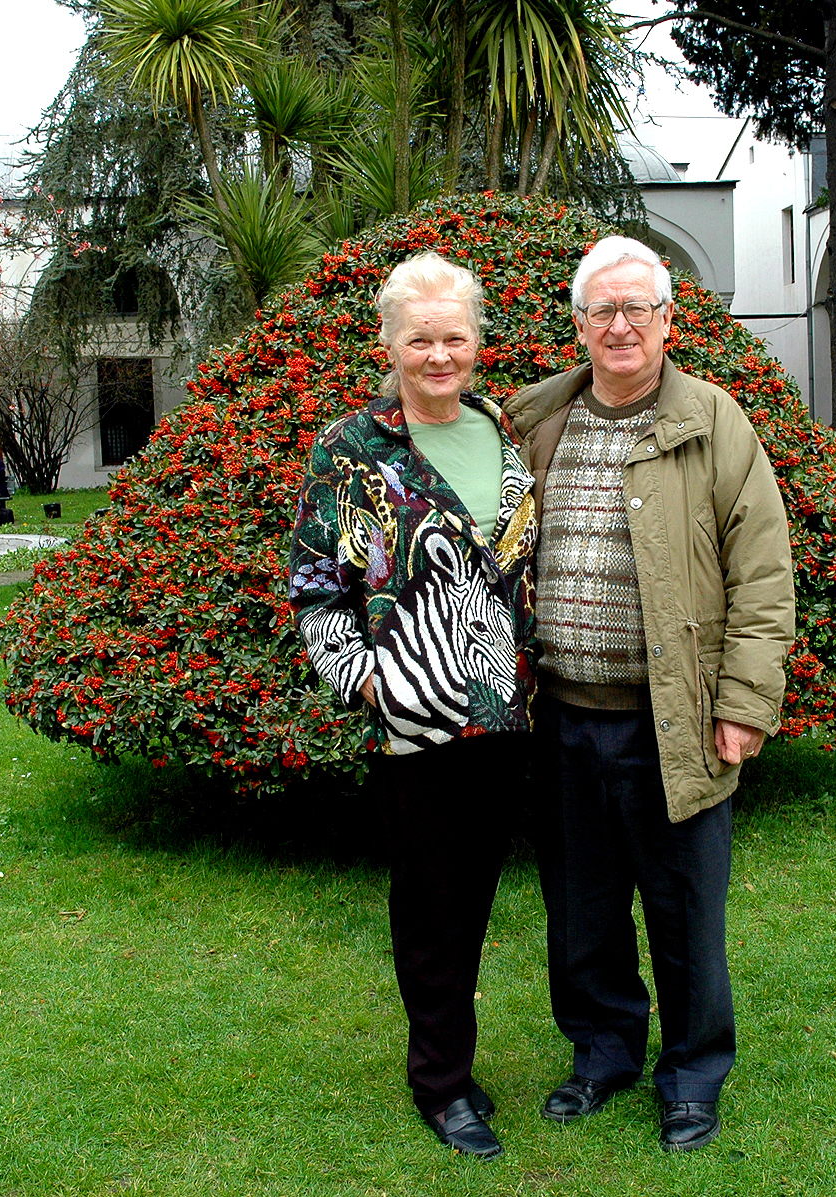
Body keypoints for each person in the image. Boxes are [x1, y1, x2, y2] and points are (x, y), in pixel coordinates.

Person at [506, 236, 796, 1154]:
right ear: (581, 323)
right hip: (560, 718)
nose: (621, 325)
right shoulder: (537, 419)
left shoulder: (716, 422)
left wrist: (744, 703)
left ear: (670, 320)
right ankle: (603, 1053)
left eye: (640, 308)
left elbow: (763, 575)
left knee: (684, 912)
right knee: (581, 909)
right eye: (604, 310)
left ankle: (693, 1073)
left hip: (673, 717)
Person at [289, 252, 538, 1161]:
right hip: (414, 719)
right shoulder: (352, 449)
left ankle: (451, 1058)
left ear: (479, 343)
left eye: (456, 338)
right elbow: (316, 587)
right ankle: (439, 1083)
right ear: (389, 344)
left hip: (505, 711)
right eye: (420, 339)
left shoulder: (502, 429)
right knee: (430, 903)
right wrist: (365, 678)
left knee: (472, 897)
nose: (440, 356)